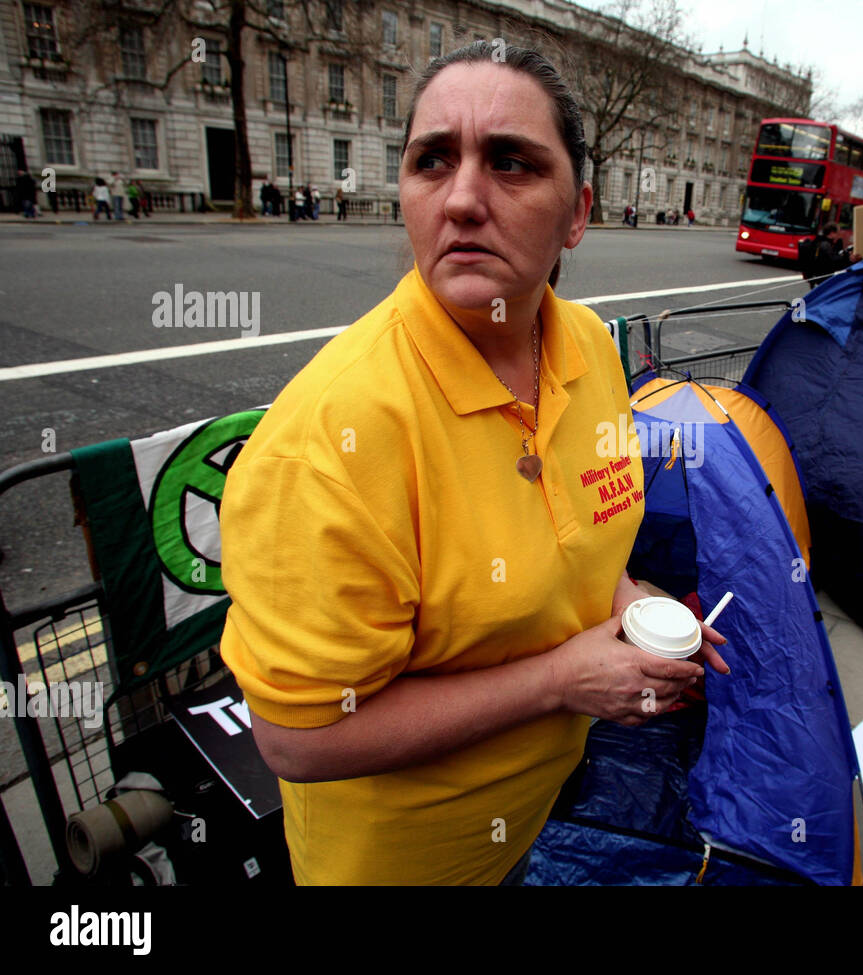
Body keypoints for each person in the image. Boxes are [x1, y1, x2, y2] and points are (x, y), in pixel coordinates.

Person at [218, 40, 729, 887]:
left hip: (526, 820)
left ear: (578, 213)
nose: (462, 198)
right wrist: (564, 681)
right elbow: (293, 738)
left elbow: (579, 542)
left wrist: (637, 608)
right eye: (432, 161)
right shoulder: (330, 440)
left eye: (511, 163)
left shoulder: (593, 353)